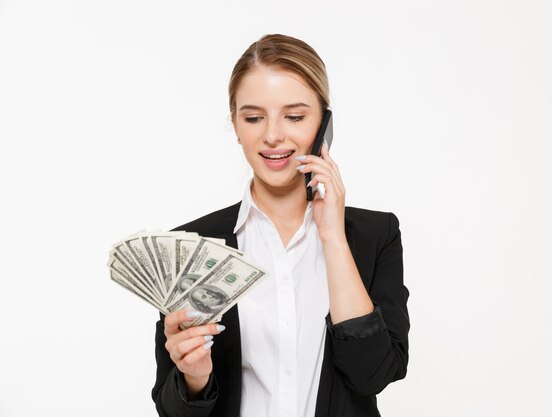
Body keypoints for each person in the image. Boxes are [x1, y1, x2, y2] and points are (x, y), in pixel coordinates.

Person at [152, 33, 409, 417]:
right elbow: (172, 410)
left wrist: (333, 238)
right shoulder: (192, 245)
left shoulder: (375, 236)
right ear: (236, 126)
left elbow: (372, 375)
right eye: (254, 117)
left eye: (295, 116)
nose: (272, 135)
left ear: (324, 124)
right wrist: (194, 377)